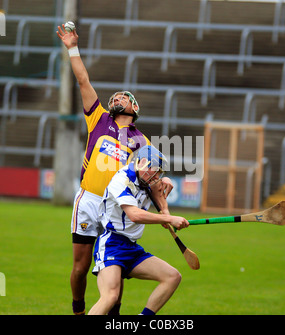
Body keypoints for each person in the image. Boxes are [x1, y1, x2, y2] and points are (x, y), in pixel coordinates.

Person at [56, 24, 173, 315]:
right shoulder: (98, 118)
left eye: (126, 97)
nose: (120, 97)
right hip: (89, 199)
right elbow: (83, 80)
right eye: (117, 96)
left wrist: (164, 180)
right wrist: (72, 47)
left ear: (134, 108)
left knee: (115, 271)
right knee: (81, 267)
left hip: (116, 208)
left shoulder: (141, 140)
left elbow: (150, 175)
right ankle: (79, 309)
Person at [88, 145, 189, 315]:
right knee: (110, 297)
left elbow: (159, 196)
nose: (157, 177)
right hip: (111, 244)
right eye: (155, 171)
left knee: (172, 277)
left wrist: (165, 212)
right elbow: (134, 214)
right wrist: (169, 219)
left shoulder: (146, 179)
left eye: (159, 173)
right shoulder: (121, 180)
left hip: (132, 248)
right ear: (142, 163)